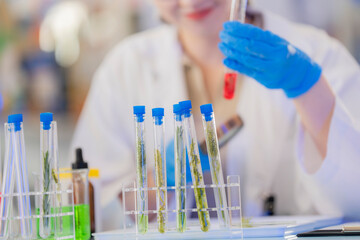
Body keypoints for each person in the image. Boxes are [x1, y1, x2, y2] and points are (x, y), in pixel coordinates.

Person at [71, 0, 360, 225]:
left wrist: (309, 90)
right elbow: (88, 213)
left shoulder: (319, 54)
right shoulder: (124, 70)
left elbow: (355, 200)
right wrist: (157, 184)